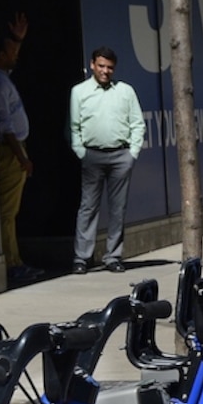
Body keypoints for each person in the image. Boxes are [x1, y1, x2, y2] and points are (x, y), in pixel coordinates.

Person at [69, 46, 145, 273]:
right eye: (101, 66)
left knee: (117, 208)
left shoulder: (125, 91)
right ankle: (82, 258)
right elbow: (74, 127)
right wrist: (80, 151)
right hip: (92, 155)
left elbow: (138, 123)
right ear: (92, 65)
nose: (105, 71)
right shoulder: (79, 92)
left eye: (109, 67)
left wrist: (132, 153)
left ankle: (113, 256)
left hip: (121, 155)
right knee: (88, 207)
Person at [0, 13, 42, 286]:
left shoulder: (1, 75)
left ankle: (15, 261)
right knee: (7, 212)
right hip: (10, 153)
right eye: (11, 50)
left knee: (10, 211)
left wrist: (18, 39)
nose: (16, 55)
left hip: (15, 152)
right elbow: (5, 125)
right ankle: (12, 263)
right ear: (0, 55)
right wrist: (22, 158)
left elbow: (11, 58)